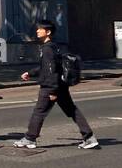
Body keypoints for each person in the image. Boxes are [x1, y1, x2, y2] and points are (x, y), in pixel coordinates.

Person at [13, 21, 99, 150]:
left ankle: (30, 139)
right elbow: (47, 67)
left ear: (48, 32)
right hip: (60, 85)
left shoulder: (47, 49)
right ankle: (89, 138)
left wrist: (53, 91)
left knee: (39, 112)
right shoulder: (54, 46)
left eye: (40, 29)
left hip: (51, 86)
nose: (37, 31)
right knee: (72, 110)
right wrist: (30, 73)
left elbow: (51, 71)